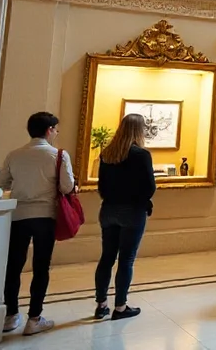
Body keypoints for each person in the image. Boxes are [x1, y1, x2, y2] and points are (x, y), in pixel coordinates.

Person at [0, 112, 75, 337]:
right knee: (41, 268)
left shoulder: (15, 154)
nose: (56, 133)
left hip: (18, 215)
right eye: (56, 129)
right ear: (49, 129)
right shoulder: (58, 155)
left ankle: (11, 315)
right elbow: (67, 187)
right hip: (44, 215)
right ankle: (34, 318)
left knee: (14, 266)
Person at [94, 114, 155, 321]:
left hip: (109, 209)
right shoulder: (141, 155)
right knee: (126, 260)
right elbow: (149, 187)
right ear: (140, 130)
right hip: (132, 211)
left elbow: (101, 186)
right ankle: (120, 306)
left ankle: (101, 304)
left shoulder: (107, 154)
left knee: (107, 258)